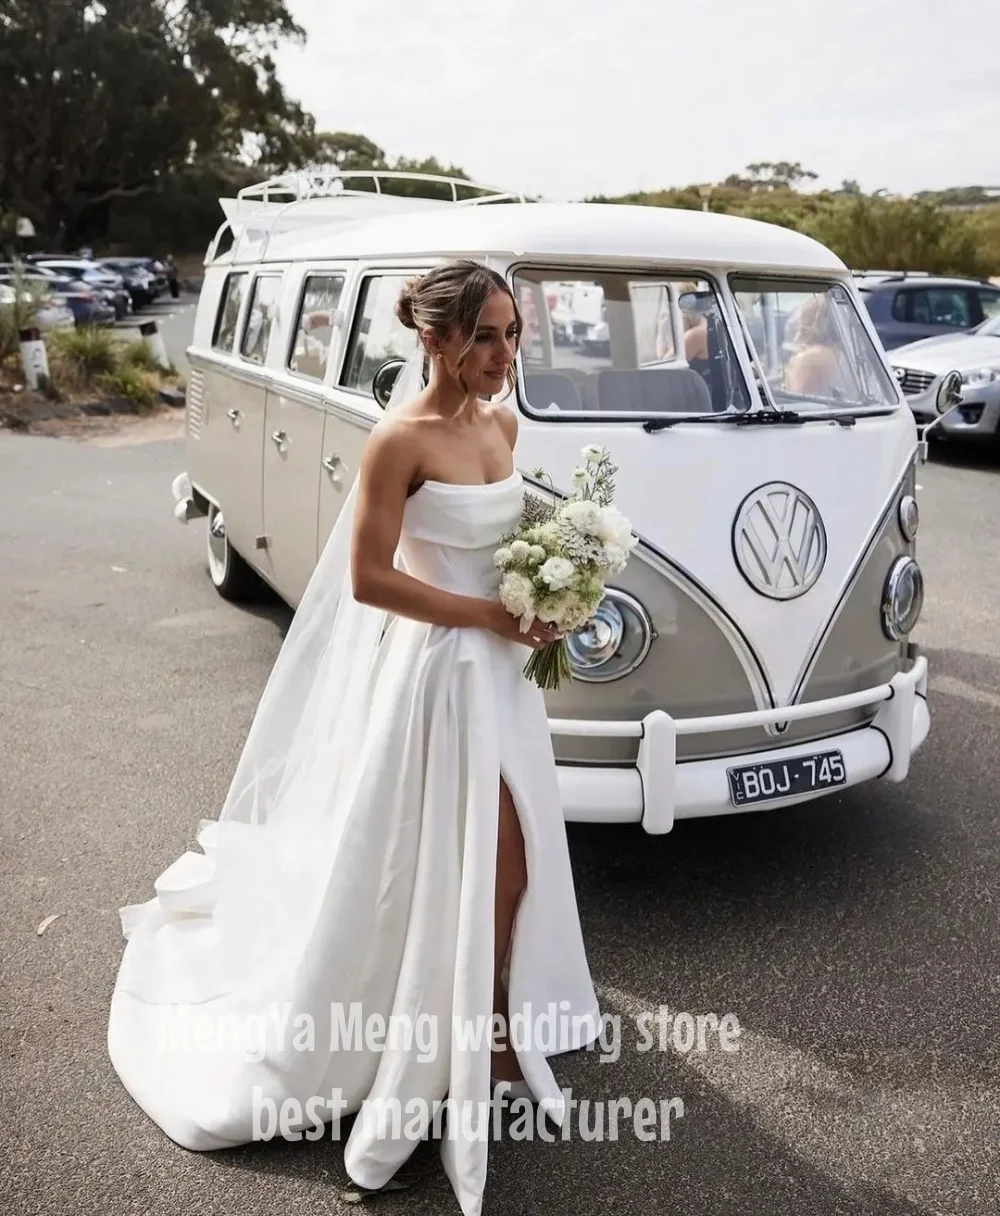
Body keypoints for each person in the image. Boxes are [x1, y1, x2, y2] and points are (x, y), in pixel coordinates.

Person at [107, 260, 600, 1216]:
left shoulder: (502, 423)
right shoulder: (398, 440)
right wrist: (484, 615)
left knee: (517, 855)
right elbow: (372, 578)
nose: (504, 354)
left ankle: (492, 1018)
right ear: (434, 340)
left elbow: (509, 534)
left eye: (510, 332)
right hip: (441, 679)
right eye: (484, 337)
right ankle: (457, 1035)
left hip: (502, 676)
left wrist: (556, 582)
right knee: (470, 856)